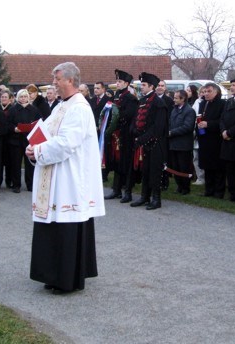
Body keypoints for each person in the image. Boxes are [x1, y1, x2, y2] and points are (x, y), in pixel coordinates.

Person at [25, 62, 105, 293]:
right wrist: (33, 147)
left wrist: (38, 151)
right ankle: (53, 273)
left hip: (69, 178)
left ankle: (68, 279)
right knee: (53, 225)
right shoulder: (62, 106)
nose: (53, 82)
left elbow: (67, 143)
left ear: (70, 80)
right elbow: (47, 134)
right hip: (55, 176)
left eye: (57, 78)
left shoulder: (79, 108)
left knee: (66, 226)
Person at [129, 72, 168, 210]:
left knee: (155, 172)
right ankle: (144, 196)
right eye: (141, 85)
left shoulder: (159, 103)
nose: (141, 87)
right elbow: (137, 119)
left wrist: (142, 138)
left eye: (144, 85)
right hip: (143, 142)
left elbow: (158, 127)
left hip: (155, 143)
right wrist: (134, 131)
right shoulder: (143, 100)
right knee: (145, 171)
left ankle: (156, 199)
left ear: (151, 86)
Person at [103, 69, 138, 202]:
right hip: (116, 135)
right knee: (117, 162)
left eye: (120, 81)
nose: (117, 83)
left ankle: (127, 191)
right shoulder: (117, 96)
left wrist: (118, 117)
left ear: (127, 83)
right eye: (116, 81)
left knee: (127, 163)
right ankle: (116, 189)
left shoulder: (130, 98)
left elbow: (129, 116)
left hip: (126, 135)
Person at [7, 89, 40, 192]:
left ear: (28, 98)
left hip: (29, 140)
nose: (23, 98)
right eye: (21, 97)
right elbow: (8, 124)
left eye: (25, 96)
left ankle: (30, 185)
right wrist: (14, 128)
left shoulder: (34, 109)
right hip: (15, 140)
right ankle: (16, 185)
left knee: (29, 164)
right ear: (18, 98)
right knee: (16, 163)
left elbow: (39, 123)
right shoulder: (13, 109)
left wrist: (33, 128)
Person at [197, 82, 226, 198]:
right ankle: (208, 190)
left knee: (217, 167)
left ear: (216, 92)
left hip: (216, 139)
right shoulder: (203, 103)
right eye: (205, 91)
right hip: (204, 138)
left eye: (209, 91)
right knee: (207, 167)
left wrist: (208, 124)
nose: (206, 94)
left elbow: (222, 121)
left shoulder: (222, 104)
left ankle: (218, 192)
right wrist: (199, 125)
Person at [168, 90, 195, 195]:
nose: (174, 100)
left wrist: (172, 132)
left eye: (176, 98)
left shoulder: (189, 111)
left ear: (183, 99)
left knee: (184, 167)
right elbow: (170, 122)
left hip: (183, 145)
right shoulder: (174, 110)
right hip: (173, 144)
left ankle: (185, 187)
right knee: (175, 167)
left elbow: (187, 127)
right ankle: (179, 186)